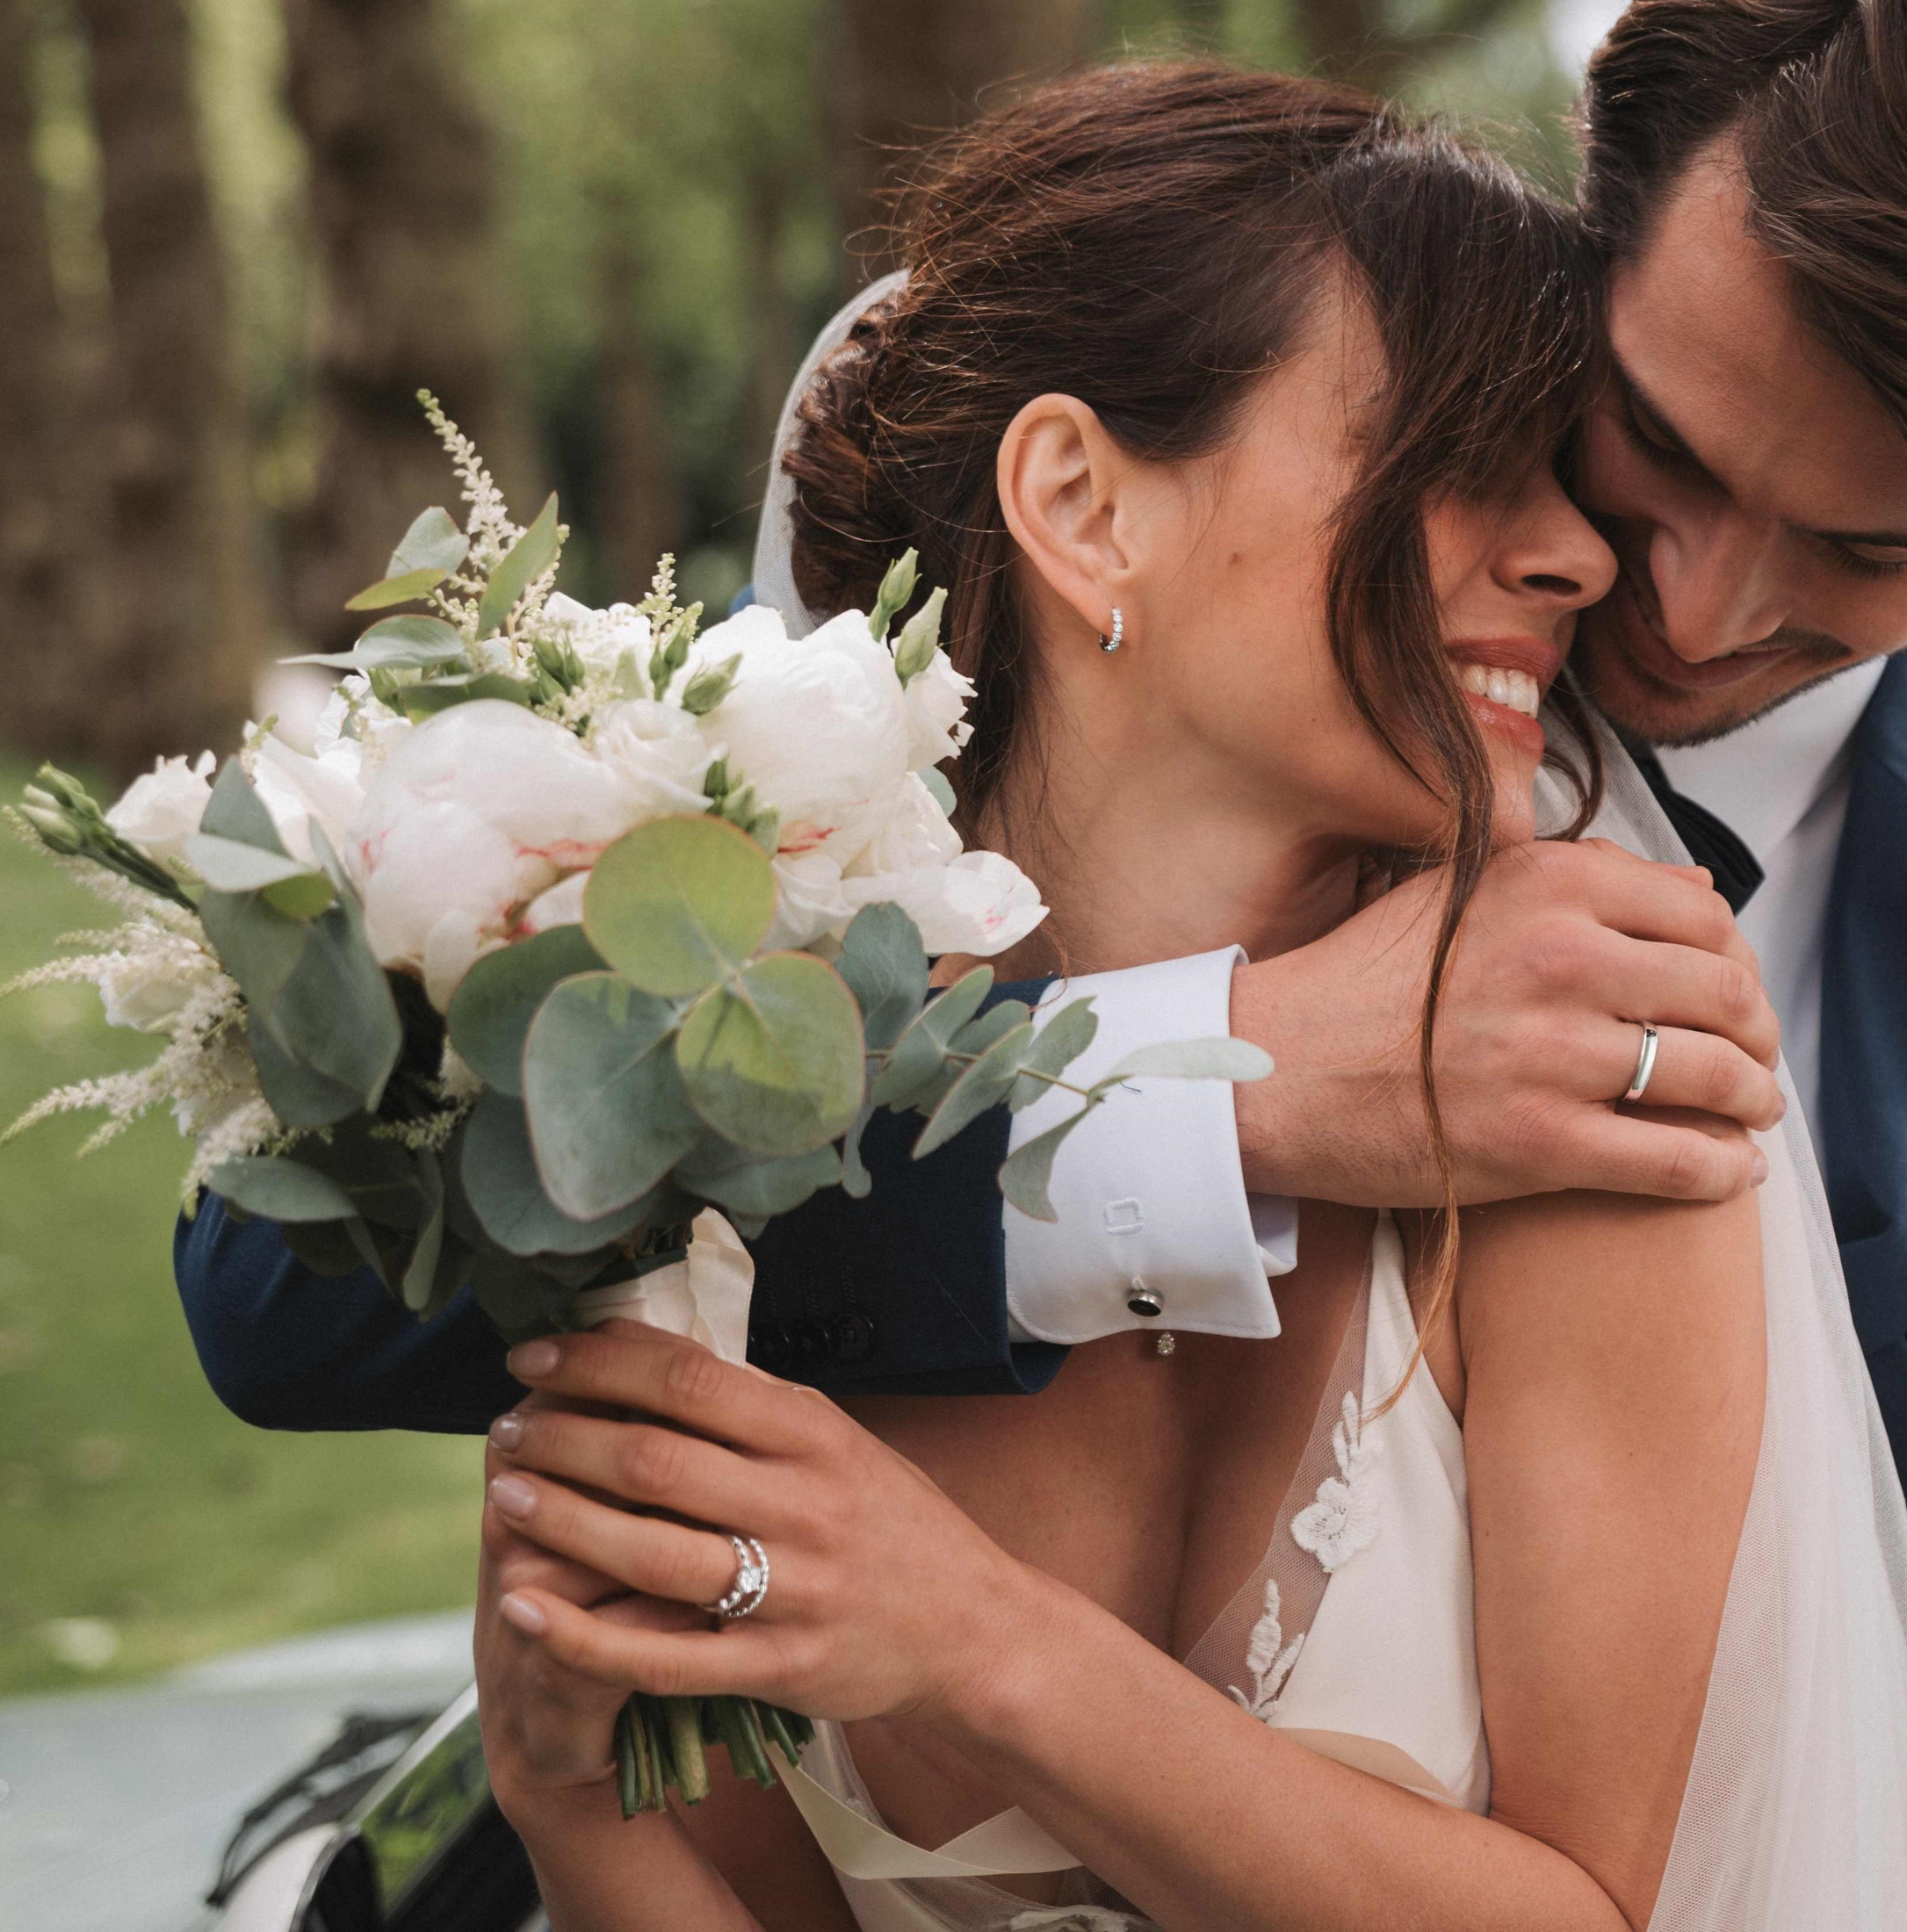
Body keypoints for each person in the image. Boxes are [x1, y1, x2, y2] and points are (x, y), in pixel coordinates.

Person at [469, 62, 1907, 1931]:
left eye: (1866, 547)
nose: (1645, 590)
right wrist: (575, 1812)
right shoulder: (752, 1060)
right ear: (1078, 501)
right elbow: (305, 1289)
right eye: (1516, 445)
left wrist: (971, 1635)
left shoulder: (1589, 1077)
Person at [183, 1, 1895, 1439]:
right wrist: (1203, 1092)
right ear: (1592, 240)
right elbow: (297, 1285)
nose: (1688, 607)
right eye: (1656, 448)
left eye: (1862, 547)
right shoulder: (1142, 454)